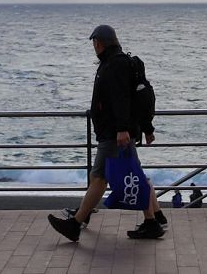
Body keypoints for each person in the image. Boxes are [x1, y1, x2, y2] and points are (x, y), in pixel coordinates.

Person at [47, 24, 166, 241]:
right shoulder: (116, 62)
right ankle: (153, 220)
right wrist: (145, 128)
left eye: (95, 42)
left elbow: (120, 99)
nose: (94, 46)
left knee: (100, 177)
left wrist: (121, 129)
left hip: (115, 134)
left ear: (100, 43)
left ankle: (75, 224)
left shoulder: (115, 65)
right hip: (117, 132)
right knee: (129, 176)